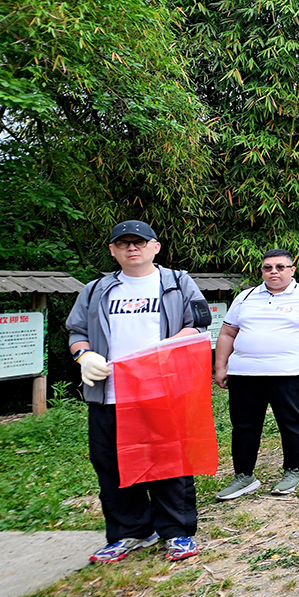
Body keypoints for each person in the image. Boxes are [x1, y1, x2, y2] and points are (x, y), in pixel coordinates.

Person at [67, 220, 211, 563]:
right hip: (110, 393)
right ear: (113, 250)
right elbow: (76, 332)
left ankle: (177, 532)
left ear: (155, 247)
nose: (133, 248)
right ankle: (128, 532)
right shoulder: (97, 290)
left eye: (140, 242)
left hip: (163, 390)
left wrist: (164, 350)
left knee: (168, 459)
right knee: (111, 463)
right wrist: (84, 355)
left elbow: (199, 326)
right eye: (124, 243)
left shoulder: (177, 283)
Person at [213, 249, 299, 500]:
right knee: (243, 426)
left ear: (292, 270)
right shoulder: (246, 296)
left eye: (280, 267)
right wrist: (220, 367)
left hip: (286, 373)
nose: (273, 272)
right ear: (262, 271)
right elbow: (227, 333)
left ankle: (293, 471)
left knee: (291, 424)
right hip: (244, 373)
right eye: (268, 267)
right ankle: (244, 475)